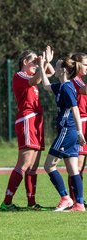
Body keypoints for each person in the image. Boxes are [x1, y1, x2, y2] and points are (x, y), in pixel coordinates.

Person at [0, 46, 54, 211]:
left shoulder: (32, 74)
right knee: (24, 164)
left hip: (36, 120)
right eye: (33, 61)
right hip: (27, 120)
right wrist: (42, 64)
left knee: (33, 166)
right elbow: (37, 80)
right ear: (24, 62)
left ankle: (31, 203)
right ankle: (7, 202)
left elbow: (50, 74)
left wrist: (46, 62)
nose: (36, 64)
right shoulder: (20, 75)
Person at [40, 53, 86, 212]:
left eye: (58, 66)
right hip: (69, 131)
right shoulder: (61, 86)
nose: (55, 68)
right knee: (73, 169)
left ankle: (65, 198)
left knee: (48, 166)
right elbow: (46, 86)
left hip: (68, 130)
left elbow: (75, 110)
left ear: (64, 70)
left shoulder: (67, 87)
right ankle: (79, 204)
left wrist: (80, 132)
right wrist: (42, 65)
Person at [69, 52, 87, 204]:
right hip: (78, 123)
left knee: (82, 164)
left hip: (84, 121)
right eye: (85, 64)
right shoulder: (74, 80)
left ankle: (78, 200)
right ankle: (76, 200)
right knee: (77, 165)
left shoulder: (80, 80)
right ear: (77, 64)